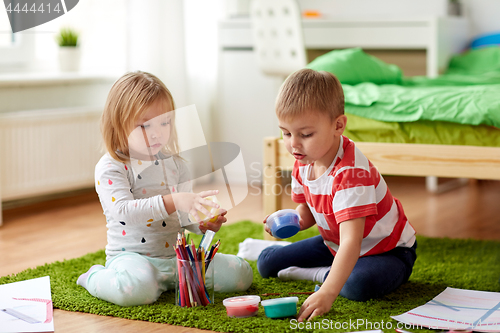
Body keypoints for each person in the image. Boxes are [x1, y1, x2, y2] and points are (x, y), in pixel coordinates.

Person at [77, 71, 253, 306]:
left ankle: (166, 282)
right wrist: (175, 200)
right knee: (136, 290)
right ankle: (95, 277)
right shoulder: (111, 167)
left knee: (241, 275)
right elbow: (124, 212)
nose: (157, 132)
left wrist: (202, 222)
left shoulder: (177, 165)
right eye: (145, 125)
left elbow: (182, 219)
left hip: (178, 260)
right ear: (118, 124)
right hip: (133, 260)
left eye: (165, 122)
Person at [257, 68, 417, 321]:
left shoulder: (351, 173)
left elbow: (352, 242)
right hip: (334, 244)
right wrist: (288, 220)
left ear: (338, 125)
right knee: (266, 263)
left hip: (386, 251)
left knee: (358, 284)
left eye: (305, 134)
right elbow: (307, 214)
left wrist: (329, 292)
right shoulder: (304, 158)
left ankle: (324, 276)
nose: (293, 144)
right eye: (286, 133)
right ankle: (330, 271)